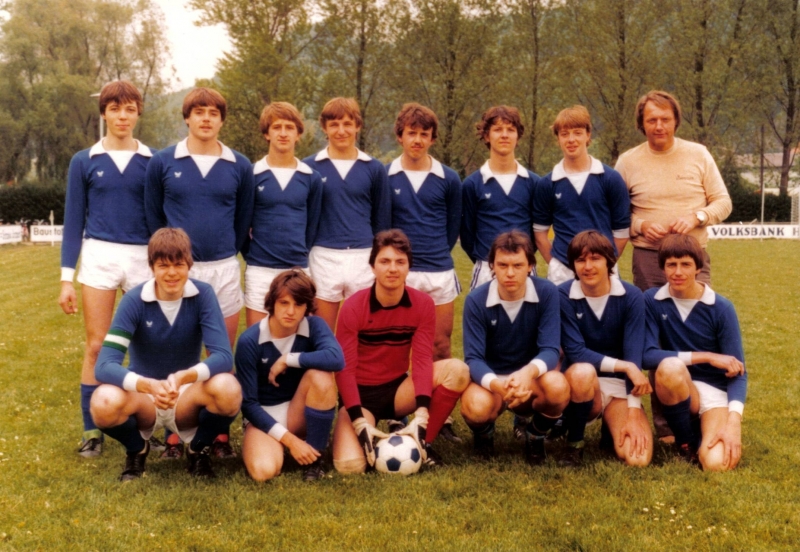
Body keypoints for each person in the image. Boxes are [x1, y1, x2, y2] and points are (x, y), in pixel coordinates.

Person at [615, 90, 732, 442]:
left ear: (675, 120)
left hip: (692, 255)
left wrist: (698, 216)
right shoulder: (628, 161)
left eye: (665, 118)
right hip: (649, 258)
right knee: (657, 338)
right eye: (651, 119)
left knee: (697, 331)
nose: (658, 125)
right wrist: (638, 226)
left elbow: (723, 201)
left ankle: (704, 409)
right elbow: (618, 213)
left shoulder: (698, 154)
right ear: (642, 124)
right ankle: (666, 425)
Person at [145, 87, 254, 458]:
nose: (206, 118)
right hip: (179, 271)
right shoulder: (163, 161)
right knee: (182, 353)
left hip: (223, 267)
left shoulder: (240, 165)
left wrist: (223, 249)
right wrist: (176, 259)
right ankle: (175, 434)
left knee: (219, 353)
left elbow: (243, 221)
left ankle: (217, 434)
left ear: (222, 120)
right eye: (199, 111)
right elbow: (153, 218)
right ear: (187, 117)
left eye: (214, 113)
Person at [90, 228, 242, 481]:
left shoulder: (203, 295)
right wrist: (146, 384)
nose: (172, 273)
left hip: (185, 396)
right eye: (163, 265)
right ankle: (137, 449)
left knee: (229, 388)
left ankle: (197, 449)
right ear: (151, 267)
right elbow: (104, 365)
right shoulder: (134, 300)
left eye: (179, 264)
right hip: (145, 397)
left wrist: (185, 377)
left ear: (189, 265)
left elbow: (224, 356)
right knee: (103, 401)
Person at [59, 80, 155, 457]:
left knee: (146, 346)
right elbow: (72, 222)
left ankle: (150, 424)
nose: (122, 116)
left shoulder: (153, 160)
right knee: (98, 345)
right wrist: (66, 279)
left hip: (142, 258)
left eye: (129, 109)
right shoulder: (84, 160)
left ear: (137, 113)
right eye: (115, 109)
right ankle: (92, 430)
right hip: (99, 255)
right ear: (104, 113)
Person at [332, 230, 470, 474]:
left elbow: (422, 361)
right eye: (384, 261)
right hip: (360, 396)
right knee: (349, 467)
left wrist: (422, 413)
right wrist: (357, 419)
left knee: (457, 370)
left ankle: (422, 441)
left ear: (409, 267)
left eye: (400, 262)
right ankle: (369, 431)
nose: (392, 269)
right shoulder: (354, 306)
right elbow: (344, 368)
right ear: (372, 266)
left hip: (398, 391)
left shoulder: (423, 304)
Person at [387, 103, 462, 442]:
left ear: (432, 138)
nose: (417, 140)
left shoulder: (449, 178)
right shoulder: (385, 176)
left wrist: (434, 252)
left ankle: (437, 418)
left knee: (440, 345)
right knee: (398, 347)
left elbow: (452, 227)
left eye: (424, 134)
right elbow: (382, 228)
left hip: (438, 271)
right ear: (400, 136)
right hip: (400, 273)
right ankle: (397, 413)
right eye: (411, 133)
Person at [460, 230, 569, 464]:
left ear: (530, 265)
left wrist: (526, 373)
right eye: (503, 265)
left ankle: (535, 434)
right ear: (492, 266)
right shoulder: (476, 300)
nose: (510, 273)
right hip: (493, 379)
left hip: (529, 377)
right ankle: (484, 434)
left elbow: (550, 349)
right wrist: (499, 385)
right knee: (474, 407)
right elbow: (473, 359)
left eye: (518, 265)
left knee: (558, 386)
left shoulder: (547, 292)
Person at [644, 234, 746, 471]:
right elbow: (646, 355)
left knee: (716, 464)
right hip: (679, 384)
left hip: (714, 392)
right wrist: (707, 356)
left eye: (686, 264)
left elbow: (739, 372)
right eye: (671, 264)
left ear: (699, 268)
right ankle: (686, 442)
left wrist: (734, 422)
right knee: (669, 367)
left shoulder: (721, 308)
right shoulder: (652, 300)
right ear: (662, 268)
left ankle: (704, 436)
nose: (678, 272)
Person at [236, 269, 343, 482]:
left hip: (298, 410)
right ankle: (290, 445)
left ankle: (316, 456)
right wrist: (290, 441)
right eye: (284, 303)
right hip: (263, 416)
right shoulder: (250, 340)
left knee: (320, 376)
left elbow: (336, 359)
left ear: (307, 307)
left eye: (298, 304)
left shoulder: (314, 326)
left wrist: (288, 359)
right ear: (272, 302)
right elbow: (248, 404)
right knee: (263, 472)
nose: (291, 311)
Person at [557, 231, 652, 467]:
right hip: (580, 383)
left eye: (595, 258)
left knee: (637, 459)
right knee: (582, 371)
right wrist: (626, 366)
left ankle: (610, 431)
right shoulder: (562, 294)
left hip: (619, 386)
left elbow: (633, 355)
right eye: (580, 260)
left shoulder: (631, 296)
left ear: (609, 260)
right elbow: (576, 351)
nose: (588, 266)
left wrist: (633, 413)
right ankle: (574, 444)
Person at [303, 97, 391, 330]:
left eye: (347, 123)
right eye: (334, 124)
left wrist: (376, 260)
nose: (341, 131)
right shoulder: (308, 166)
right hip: (323, 257)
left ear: (357, 125)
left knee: (363, 333)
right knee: (321, 334)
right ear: (324, 127)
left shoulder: (374, 168)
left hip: (362, 257)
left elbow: (382, 222)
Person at [244, 102, 323, 327]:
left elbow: (312, 226)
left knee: (296, 339)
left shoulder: (311, 178)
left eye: (289, 127)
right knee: (257, 339)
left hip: (297, 269)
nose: (283, 133)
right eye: (277, 127)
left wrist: (296, 253)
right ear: (266, 133)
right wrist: (255, 255)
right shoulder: (251, 174)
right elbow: (242, 224)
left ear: (298, 134)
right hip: (260, 269)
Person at [533, 106, 630, 285]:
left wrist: (603, 262)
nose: (571, 139)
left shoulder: (610, 179)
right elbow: (540, 233)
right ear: (558, 139)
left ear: (588, 135)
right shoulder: (547, 184)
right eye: (564, 134)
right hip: (562, 273)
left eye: (577, 133)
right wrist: (556, 263)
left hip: (603, 270)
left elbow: (622, 232)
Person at [461, 106, 539, 290]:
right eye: (497, 129)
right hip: (486, 269)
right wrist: (488, 259)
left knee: (526, 318)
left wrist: (521, 259)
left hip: (523, 268)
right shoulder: (472, 184)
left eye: (510, 130)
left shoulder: (534, 182)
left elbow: (537, 232)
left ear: (518, 136)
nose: (504, 135)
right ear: (487, 136)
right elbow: (467, 235)